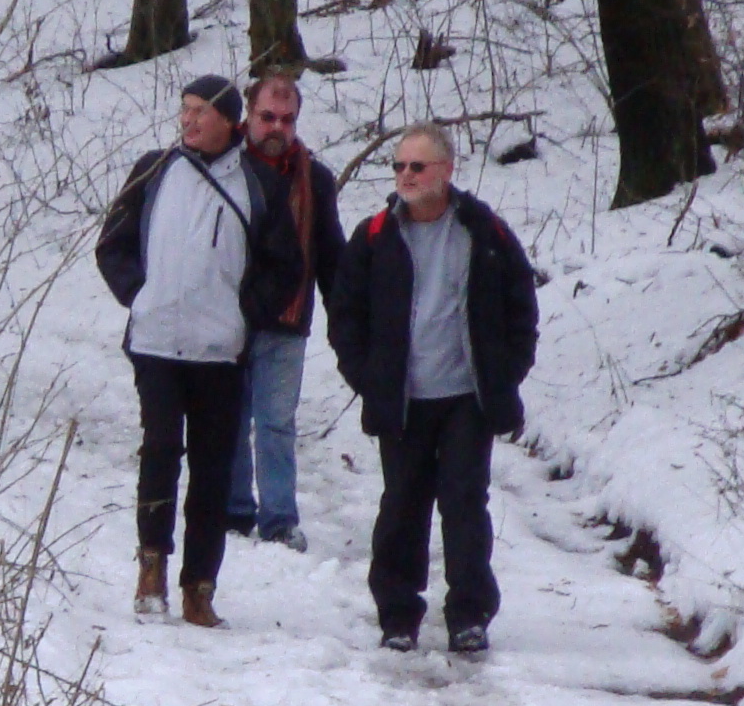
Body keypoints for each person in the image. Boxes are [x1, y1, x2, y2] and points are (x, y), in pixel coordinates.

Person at [324, 123, 538, 655]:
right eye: (399, 166)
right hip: (403, 400)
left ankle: (469, 613)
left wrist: (505, 371)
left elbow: (520, 304)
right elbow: (345, 313)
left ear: (446, 170)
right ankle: (398, 615)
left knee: (464, 504)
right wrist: (368, 377)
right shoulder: (375, 236)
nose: (406, 176)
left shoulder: (484, 231)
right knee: (402, 506)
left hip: (467, 397)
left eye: (417, 166)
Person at [94, 75, 281, 626]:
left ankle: (200, 587)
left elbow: (282, 268)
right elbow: (111, 244)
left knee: (212, 470)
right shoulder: (154, 170)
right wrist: (141, 295)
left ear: (229, 121)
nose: (189, 120)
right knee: (159, 453)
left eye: (201, 111)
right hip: (155, 343)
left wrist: (244, 315)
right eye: (185, 109)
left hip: (219, 352)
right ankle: (150, 568)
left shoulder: (258, 184)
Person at [225, 73, 345, 551]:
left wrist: (346, 317)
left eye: (287, 119)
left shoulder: (315, 180)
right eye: (267, 117)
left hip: (286, 321)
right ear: (248, 115)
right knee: (230, 419)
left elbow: (330, 254)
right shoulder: (223, 168)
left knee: (276, 423)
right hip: (226, 316)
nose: (277, 127)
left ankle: (278, 520)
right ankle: (233, 511)